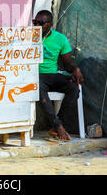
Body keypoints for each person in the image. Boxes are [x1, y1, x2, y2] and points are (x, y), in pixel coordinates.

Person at [33, 10, 84, 141]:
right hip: (34, 75)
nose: (37, 26)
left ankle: (56, 125)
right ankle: (59, 127)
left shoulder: (60, 39)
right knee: (39, 88)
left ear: (50, 24)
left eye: (41, 23)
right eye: (35, 22)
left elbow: (67, 64)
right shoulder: (27, 36)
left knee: (73, 88)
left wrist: (75, 68)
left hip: (52, 75)